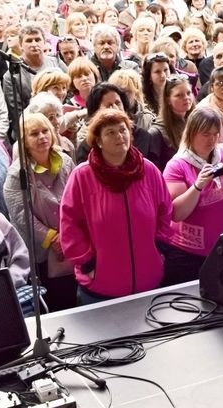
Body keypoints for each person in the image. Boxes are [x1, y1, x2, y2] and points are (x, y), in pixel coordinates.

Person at [60, 108, 173, 305]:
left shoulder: (148, 170)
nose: (119, 136)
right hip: (100, 288)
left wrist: (160, 248)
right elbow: (69, 225)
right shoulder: (82, 176)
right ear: (98, 141)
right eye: (110, 132)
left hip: (149, 281)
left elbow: (165, 211)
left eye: (123, 130)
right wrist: (88, 263)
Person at [160, 107, 223, 285]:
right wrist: (197, 186)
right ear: (191, 133)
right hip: (189, 254)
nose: (212, 140)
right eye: (205, 134)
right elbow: (177, 213)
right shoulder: (177, 165)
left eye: (215, 134)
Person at [4, 112, 77, 312]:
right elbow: (21, 216)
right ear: (24, 141)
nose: (42, 137)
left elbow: (78, 200)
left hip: (72, 242)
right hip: (42, 253)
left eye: (45, 131)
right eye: (34, 134)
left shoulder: (66, 161)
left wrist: (68, 235)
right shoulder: (16, 174)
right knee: (57, 303)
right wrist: (53, 239)